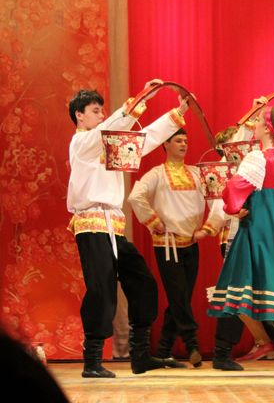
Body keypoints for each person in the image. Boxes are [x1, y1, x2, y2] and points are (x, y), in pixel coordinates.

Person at [67, 82, 188, 377]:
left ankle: (140, 354)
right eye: (95, 111)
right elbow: (107, 130)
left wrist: (176, 114)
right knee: (102, 290)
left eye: (102, 111)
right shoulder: (82, 144)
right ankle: (92, 362)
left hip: (114, 228)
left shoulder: (110, 143)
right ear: (79, 115)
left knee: (142, 282)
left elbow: (144, 140)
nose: (101, 115)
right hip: (92, 225)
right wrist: (141, 99)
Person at [208, 106, 274, 376]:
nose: (255, 125)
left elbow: (235, 187)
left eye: (258, 121)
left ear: (268, 128)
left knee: (243, 282)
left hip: (259, 225)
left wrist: (233, 208)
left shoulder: (257, 157)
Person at [128, 128, 225, 368]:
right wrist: (153, 221)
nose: (183, 144)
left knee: (180, 298)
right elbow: (135, 196)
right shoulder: (157, 174)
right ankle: (192, 344)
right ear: (166, 144)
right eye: (178, 140)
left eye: (185, 141)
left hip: (191, 243)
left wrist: (208, 228)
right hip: (167, 244)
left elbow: (217, 198)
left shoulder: (196, 173)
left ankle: (163, 350)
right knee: (179, 296)